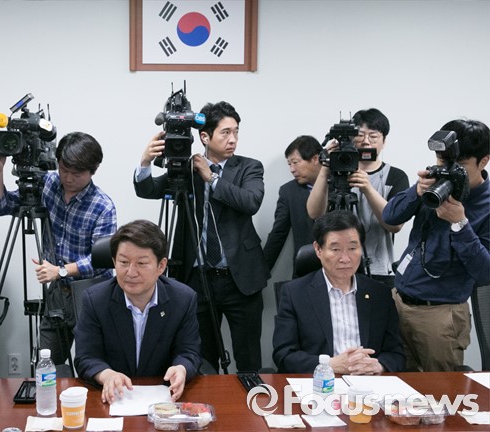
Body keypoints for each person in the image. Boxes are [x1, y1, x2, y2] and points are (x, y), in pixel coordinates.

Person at [134, 101, 268, 372]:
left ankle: (250, 398)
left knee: (249, 357)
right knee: (202, 358)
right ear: (205, 137)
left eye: (236, 132)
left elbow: (251, 201)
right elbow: (147, 190)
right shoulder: (186, 169)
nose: (233, 139)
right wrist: (145, 162)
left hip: (240, 278)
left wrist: (212, 178)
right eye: (225, 133)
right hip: (197, 278)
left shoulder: (249, 167)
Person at [0, 131, 117, 365]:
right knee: (47, 363)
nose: (68, 178)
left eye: (76, 173)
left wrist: (61, 271)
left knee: (93, 363)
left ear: (93, 170)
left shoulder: (103, 206)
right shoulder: (48, 184)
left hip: (91, 292)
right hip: (57, 293)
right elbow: (0, 206)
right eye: (63, 169)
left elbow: (102, 260)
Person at [383, 119, 490, 372]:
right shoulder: (435, 182)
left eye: (460, 165)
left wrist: (460, 224)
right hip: (398, 302)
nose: (449, 170)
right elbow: (390, 217)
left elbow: (485, 272)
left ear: (483, 161)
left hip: (440, 316)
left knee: (440, 391)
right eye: (444, 161)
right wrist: (417, 191)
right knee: (395, 386)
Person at [74, 220, 201, 403]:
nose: (131, 272)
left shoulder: (183, 299)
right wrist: (106, 375)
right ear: (114, 261)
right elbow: (86, 356)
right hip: (113, 399)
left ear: (161, 266)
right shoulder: (95, 300)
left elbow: (189, 351)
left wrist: (181, 368)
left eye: (141, 263)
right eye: (124, 262)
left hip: (164, 400)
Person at [273, 211, 405, 374]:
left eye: (352, 248)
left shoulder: (380, 294)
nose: (345, 259)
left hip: (367, 381)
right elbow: (284, 355)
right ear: (318, 249)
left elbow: (396, 353)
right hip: (319, 381)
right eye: (336, 249)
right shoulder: (295, 293)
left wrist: (378, 366)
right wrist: (330, 364)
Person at [307, 109, 409, 287]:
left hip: (378, 270)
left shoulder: (396, 176)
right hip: (336, 266)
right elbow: (315, 213)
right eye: (360, 135)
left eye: (373, 136)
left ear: (384, 141)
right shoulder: (334, 172)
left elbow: (395, 225)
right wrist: (325, 168)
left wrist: (367, 188)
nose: (366, 141)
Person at [264, 135, 322, 276]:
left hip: (341, 269)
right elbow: (278, 234)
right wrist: (261, 272)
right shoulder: (288, 191)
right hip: (305, 271)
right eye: (289, 164)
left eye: (295, 162)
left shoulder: (341, 186)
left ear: (315, 159)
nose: (292, 169)